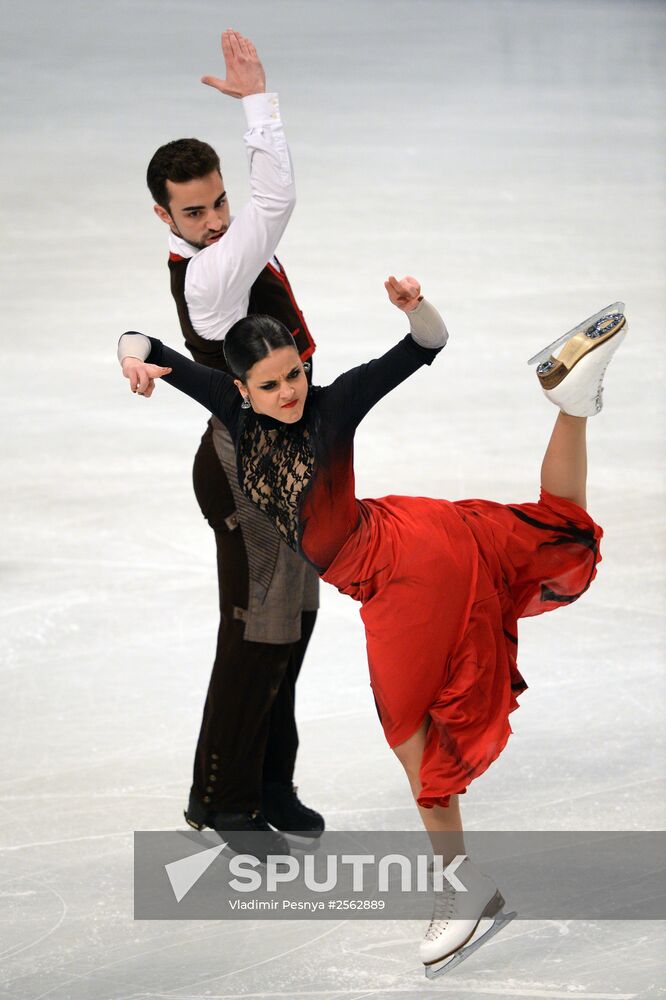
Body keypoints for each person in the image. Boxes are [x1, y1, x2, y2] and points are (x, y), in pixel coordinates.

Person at [117, 278, 626, 973]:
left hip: (401, 572)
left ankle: (461, 885)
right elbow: (149, 343)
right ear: (238, 389)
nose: (290, 392)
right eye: (269, 386)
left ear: (304, 362)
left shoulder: (334, 406)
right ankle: (573, 403)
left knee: (409, 728)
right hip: (418, 531)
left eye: (295, 373)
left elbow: (427, 344)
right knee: (551, 525)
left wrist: (414, 308)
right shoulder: (227, 405)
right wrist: (131, 357)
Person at [144, 29, 322, 856]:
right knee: (256, 631)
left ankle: (271, 782)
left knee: (294, 624)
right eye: (195, 211)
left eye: (220, 202)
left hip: (285, 461)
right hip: (242, 474)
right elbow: (276, 203)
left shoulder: (221, 248)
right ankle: (219, 799)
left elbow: (262, 215)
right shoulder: (211, 275)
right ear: (165, 215)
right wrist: (260, 105)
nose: (216, 222)